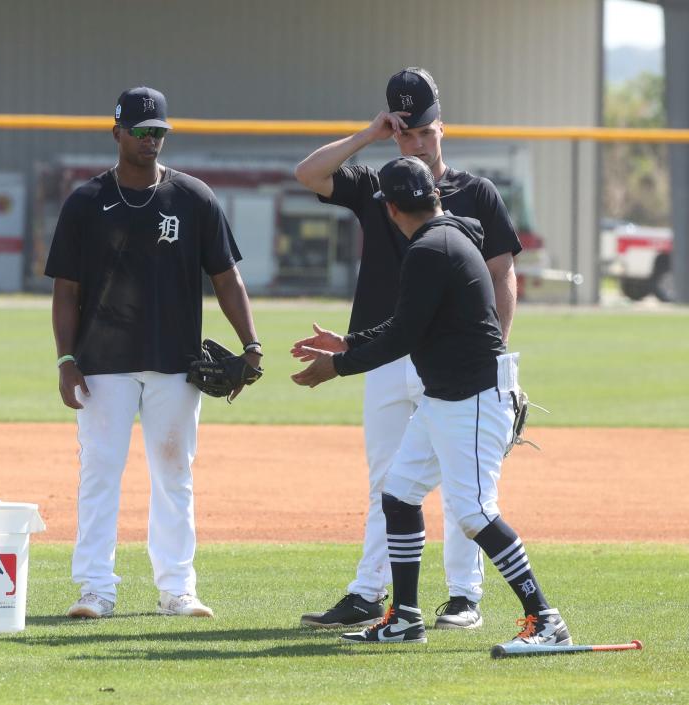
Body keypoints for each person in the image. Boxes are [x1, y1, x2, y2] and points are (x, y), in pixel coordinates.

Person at [292, 155, 571, 648]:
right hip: (446, 396)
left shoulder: (429, 250)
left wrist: (337, 366)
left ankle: (545, 619)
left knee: (475, 513)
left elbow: (402, 335)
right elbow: (407, 323)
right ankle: (404, 618)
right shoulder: (448, 236)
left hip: (475, 398)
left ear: (394, 208)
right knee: (399, 496)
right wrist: (350, 344)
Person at [293, 67, 522, 631]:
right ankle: (372, 593)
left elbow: (503, 276)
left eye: (424, 131)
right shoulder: (381, 185)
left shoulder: (476, 193)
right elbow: (308, 173)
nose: (416, 143)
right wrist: (368, 135)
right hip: (385, 353)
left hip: (450, 359)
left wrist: (493, 351)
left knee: (464, 483)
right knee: (389, 480)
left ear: (441, 127)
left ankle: (464, 597)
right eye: (404, 133)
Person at [45, 86, 262, 619]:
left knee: (174, 474)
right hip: (102, 364)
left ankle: (177, 589)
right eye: (142, 131)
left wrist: (251, 343)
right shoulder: (85, 201)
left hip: (175, 363)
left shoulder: (193, 198)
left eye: (159, 131)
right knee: (99, 472)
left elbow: (227, 277)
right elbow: (65, 289)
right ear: (117, 131)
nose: (151, 140)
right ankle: (95, 588)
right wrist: (65, 359)